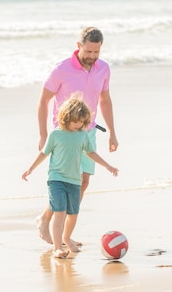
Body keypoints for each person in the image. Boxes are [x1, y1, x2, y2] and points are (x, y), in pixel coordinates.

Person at [36, 27, 119, 246]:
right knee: (63, 181)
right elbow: (43, 100)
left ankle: (62, 233)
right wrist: (44, 134)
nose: (92, 57)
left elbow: (105, 101)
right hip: (64, 134)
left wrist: (112, 132)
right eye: (88, 51)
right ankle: (48, 223)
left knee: (81, 183)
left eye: (96, 52)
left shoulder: (103, 69)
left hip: (88, 132)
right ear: (79, 46)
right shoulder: (61, 69)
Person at [22, 96, 118, 258]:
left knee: (73, 213)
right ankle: (57, 247)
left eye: (82, 122)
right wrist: (30, 168)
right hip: (56, 180)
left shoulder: (82, 135)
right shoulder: (56, 135)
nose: (79, 125)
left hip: (74, 181)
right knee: (60, 211)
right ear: (66, 118)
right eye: (76, 122)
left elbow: (91, 153)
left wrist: (107, 165)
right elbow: (43, 153)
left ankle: (66, 238)